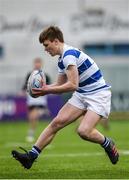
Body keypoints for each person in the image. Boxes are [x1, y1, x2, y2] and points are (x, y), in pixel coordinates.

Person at [12, 26, 119, 169]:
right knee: (57, 122)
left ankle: (107, 143)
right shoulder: (62, 59)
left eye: (46, 45)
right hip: (82, 93)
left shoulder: (69, 55)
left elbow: (72, 85)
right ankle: (31, 156)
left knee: (83, 131)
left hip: (98, 94)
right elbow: (60, 86)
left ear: (56, 41)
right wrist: (45, 89)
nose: (45, 49)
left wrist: (46, 90)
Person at [21, 57, 51, 142]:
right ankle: (33, 130)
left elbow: (49, 87)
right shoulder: (29, 75)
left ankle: (31, 133)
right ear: (34, 64)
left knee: (34, 115)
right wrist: (23, 91)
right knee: (31, 117)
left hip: (40, 99)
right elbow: (26, 85)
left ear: (41, 64)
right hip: (31, 99)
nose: (37, 64)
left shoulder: (45, 75)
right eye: (36, 63)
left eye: (39, 63)